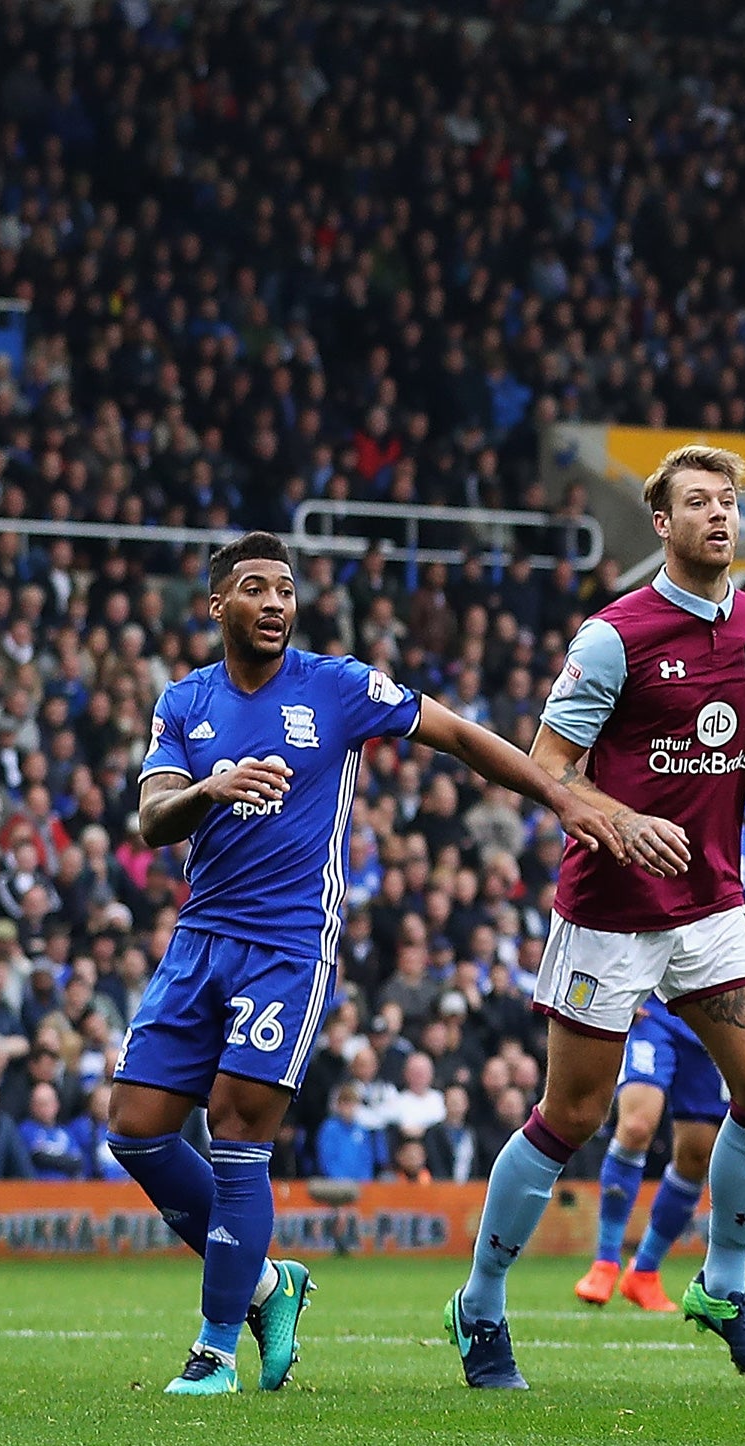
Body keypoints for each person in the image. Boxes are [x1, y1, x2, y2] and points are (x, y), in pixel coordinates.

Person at [111, 530, 626, 1397]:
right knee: (135, 1128)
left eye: (285, 589)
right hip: (199, 939)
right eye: (254, 589)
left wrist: (560, 796)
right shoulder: (183, 702)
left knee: (238, 1133)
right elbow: (151, 819)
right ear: (217, 606)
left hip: (286, 946)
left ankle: (211, 1352)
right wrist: (211, 789)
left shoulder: (338, 686)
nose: (276, 603)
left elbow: (459, 735)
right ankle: (272, 1285)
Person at [447, 445, 745, 1390]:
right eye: (699, 504)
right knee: (575, 1113)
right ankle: (480, 1302)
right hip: (609, 912)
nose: (720, 516)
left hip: (711, 905)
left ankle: (722, 1285)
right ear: (662, 524)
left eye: (729, 503)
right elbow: (545, 765)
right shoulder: (612, 638)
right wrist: (616, 819)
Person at [573, 823, 745, 1313]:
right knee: (637, 1122)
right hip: (655, 1008)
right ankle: (605, 1261)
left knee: (697, 1153)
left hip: (718, 1015)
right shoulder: (666, 821)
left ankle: (644, 1271)